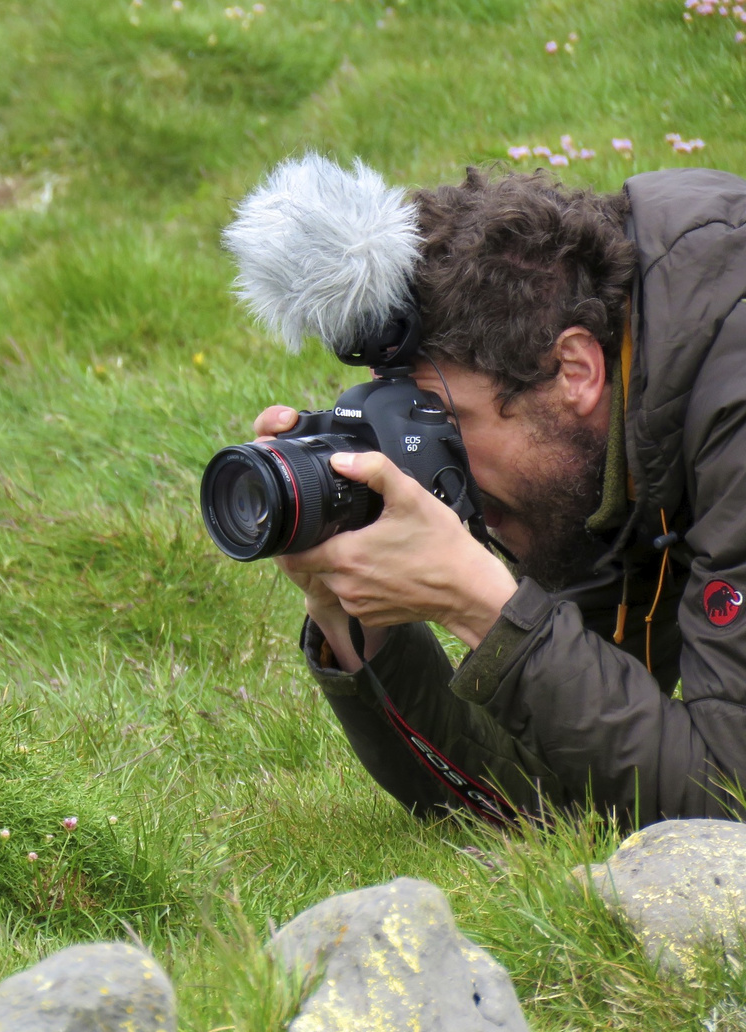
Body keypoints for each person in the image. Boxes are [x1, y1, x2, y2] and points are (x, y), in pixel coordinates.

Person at [250, 165, 746, 826]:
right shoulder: (592, 458)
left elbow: (726, 801)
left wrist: (486, 607)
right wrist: (353, 623)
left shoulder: (729, 397)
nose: (427, 466)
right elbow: (562, 796)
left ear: (575, 370)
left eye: (442, 423)